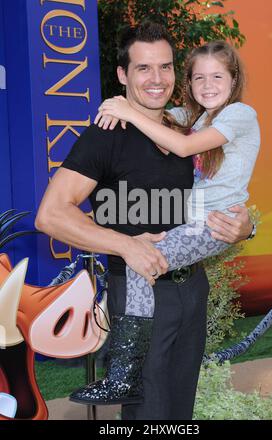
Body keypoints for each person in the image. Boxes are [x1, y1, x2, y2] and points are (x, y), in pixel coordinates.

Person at [35, 22, 254, 420]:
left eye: (166, 67)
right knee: (148, 415)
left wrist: (247, 228)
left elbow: (226, 193)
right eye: (143, 68)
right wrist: (126, 243)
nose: (156, 79)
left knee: (178, 414)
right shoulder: (106, 134)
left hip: (192, 289)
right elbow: (51, 214)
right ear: (122, 74)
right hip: (139, 292)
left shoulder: (186, 127)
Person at [89, 39, 260, 400]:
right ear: (189, 83)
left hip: (212, 224)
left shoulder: (239, 115)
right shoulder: (194, 117)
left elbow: (182, 147)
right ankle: (125, 371)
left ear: (234, 80)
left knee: (142, 260)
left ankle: (122, 371)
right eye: (199, 78)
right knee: (142, 259)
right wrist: (117, 105)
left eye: (217, 76)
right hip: (191, 225)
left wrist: (128, 111)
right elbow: (156, 111)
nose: (208, 85)